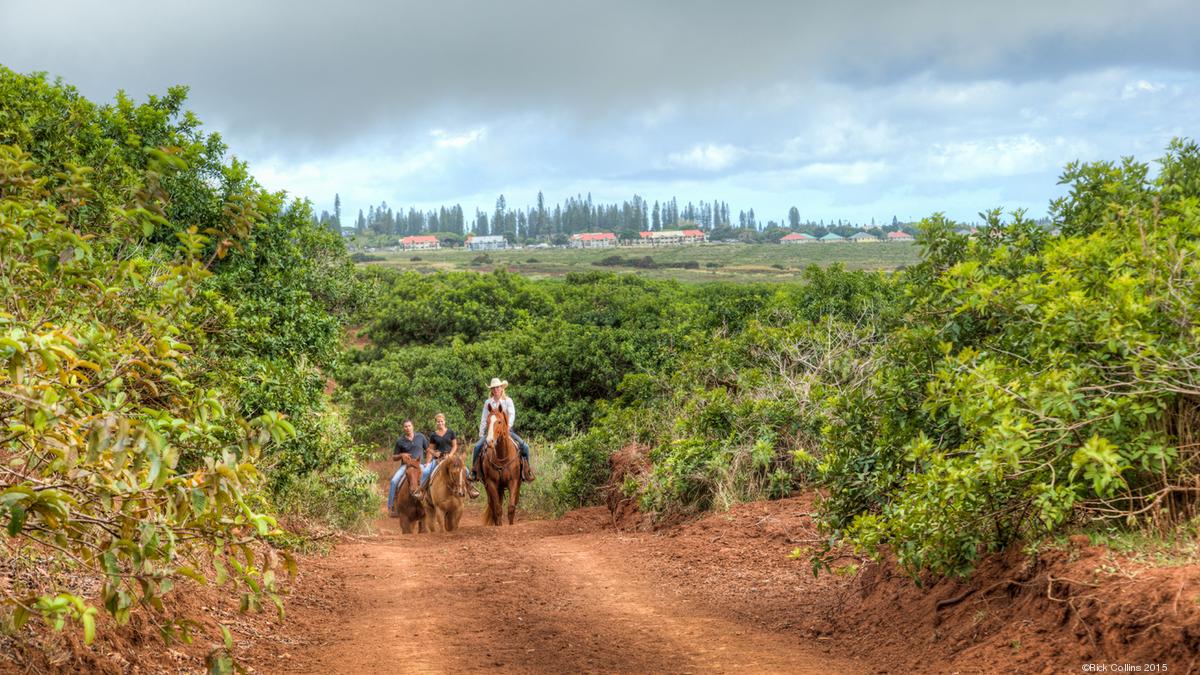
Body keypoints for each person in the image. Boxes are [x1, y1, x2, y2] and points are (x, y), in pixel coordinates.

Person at [470, 378, 534, 482]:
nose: (495, 389)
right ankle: (474, 472)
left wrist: (508, 425)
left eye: (497, 387)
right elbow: (484, 418)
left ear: (501, 388)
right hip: (492, 432)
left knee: (525, 447)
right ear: (491, 390)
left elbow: (512, 414)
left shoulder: (507, 400)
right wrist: (482, 434)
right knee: (477, 447)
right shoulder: (488, 403)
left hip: (507, 430)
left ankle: (526, 472)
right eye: (493, 388)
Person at [429, 412, 478, 498]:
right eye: (438, 421)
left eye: (441, 421)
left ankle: (470, 489)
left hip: (451, 457)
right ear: (436, 423)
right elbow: (430, 449)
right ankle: (422, 490)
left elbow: (455, 445)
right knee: (426, 472)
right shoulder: (433, 435)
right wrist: (434, 453)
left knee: (464, 469)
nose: (440, 423)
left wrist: (450, 455)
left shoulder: (451, 432)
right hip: (438, 459)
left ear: (445, 421)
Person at [387, 419, 429, 513]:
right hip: (406, 466)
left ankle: (431, 503)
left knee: (429, 478)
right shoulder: (400, 441)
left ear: (413, 426)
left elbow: (429, 450)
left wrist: (428, 462)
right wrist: (401, 455)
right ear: (403, 428)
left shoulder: (421, 437)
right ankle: (391, 506)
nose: (408, 428)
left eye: (409, 426)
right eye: (405, 426)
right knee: (394, 481)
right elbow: (394, 457)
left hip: (420, 465)